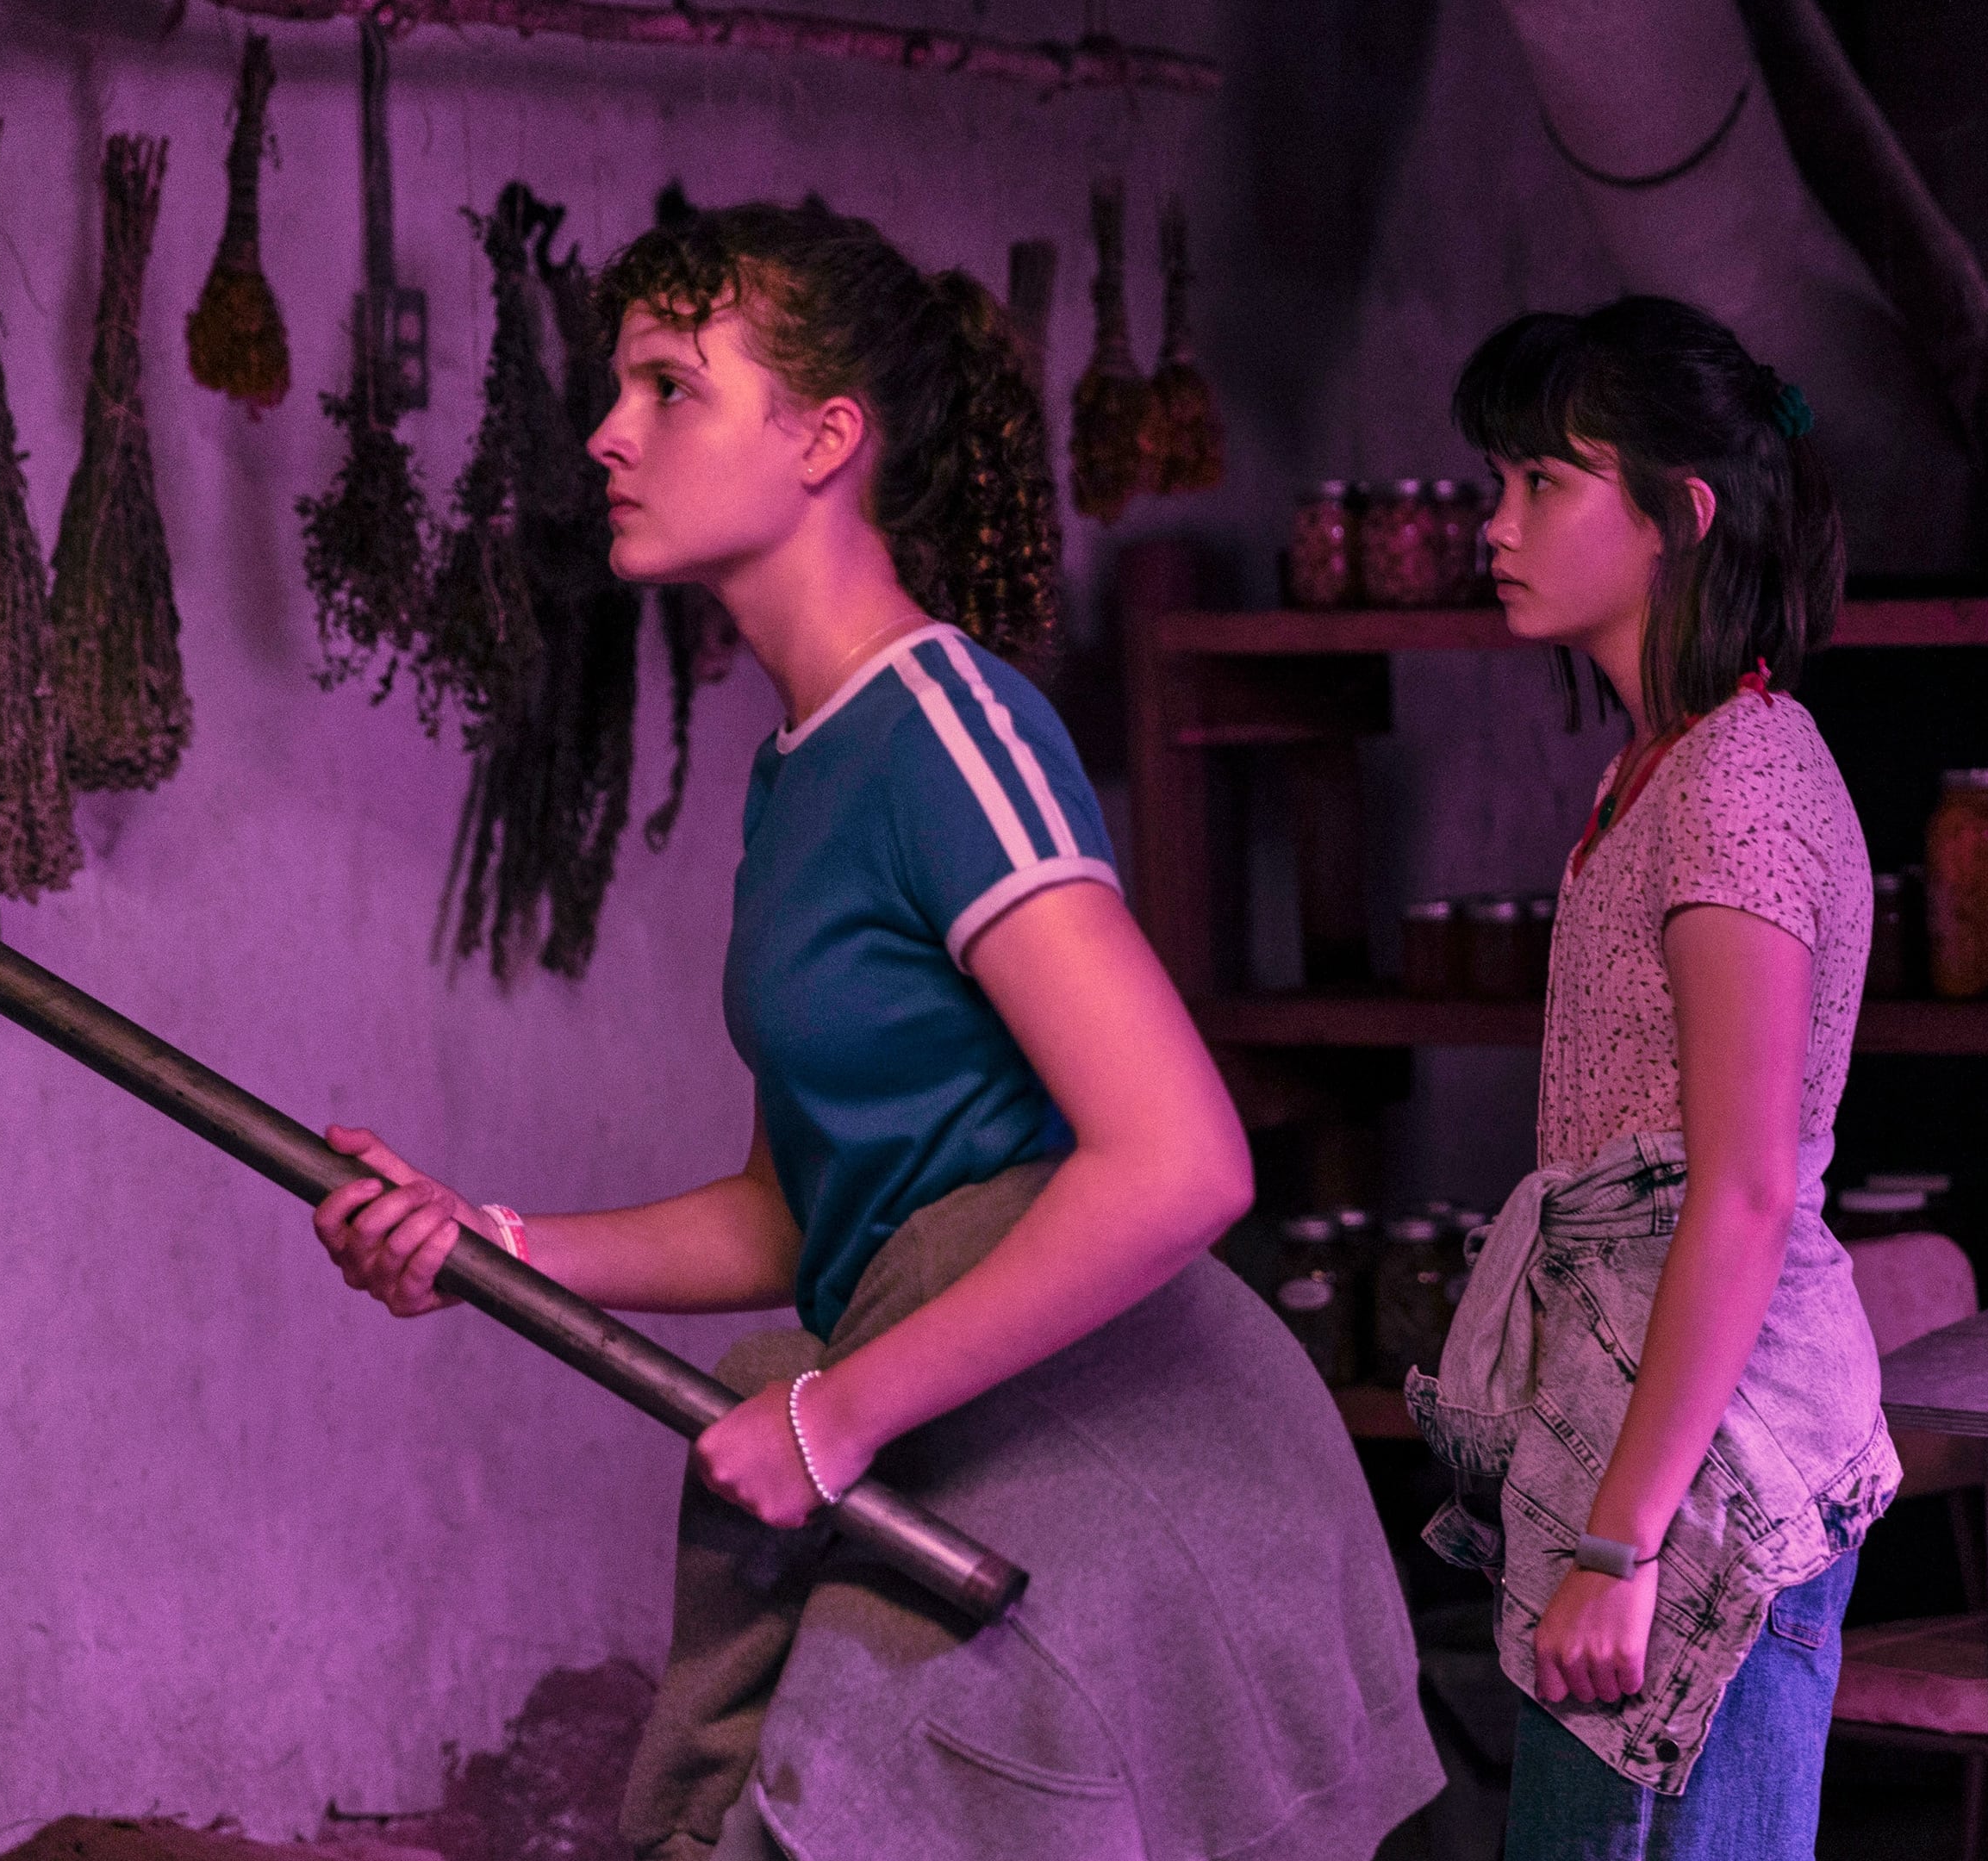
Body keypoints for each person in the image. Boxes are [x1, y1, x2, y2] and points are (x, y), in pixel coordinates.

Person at [308, 200, 1440, 1861]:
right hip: (956, 1406)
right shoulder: (802, 770)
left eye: (670, 388)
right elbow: (801, 1210)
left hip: (1121, 1440)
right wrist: (498, 1246)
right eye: (617, 389)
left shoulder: (943, 728)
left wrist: (834, 1419)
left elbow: (1183, 1162)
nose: (609, 432)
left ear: (825, 439)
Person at [1407, 296, 1898, 1861]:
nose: (1498, 524)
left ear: (1680, 516)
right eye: (1499, 482)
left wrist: (1620, 1542)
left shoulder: (1739, 774)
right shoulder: (1661, 767)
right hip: (1641, 1426)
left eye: (1546, 482)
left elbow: (1741, 1190)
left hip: (1706, 1467)